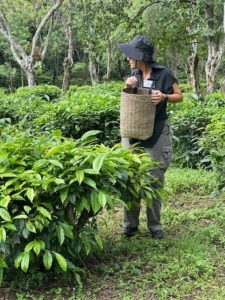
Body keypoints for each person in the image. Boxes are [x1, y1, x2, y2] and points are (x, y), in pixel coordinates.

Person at [118, 35, 183, 239]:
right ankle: (130, 225)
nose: (128, 59)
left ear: (141, 56)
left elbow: (179, 96)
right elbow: (128, 100)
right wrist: (127, 85)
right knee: (130, 178)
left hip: (157, 131)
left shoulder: (164, 74)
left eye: (131, 55)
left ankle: (155, 226)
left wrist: (164, 96)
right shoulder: (134, 74)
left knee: (154, 178)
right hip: (133, 132)